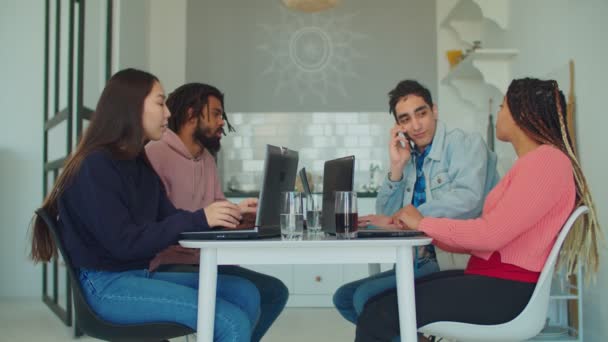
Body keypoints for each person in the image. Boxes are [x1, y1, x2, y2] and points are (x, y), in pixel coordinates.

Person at [355, 78, 601, 342]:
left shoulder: (546, 162)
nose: (499, 113)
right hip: (494, 281)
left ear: (522, 114)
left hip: (507, 292)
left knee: (378, 314)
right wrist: (422, 225)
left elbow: (490, 234)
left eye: (504, 106)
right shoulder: (534, 163)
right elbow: (490, 239)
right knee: (377, 304)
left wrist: (422, 222)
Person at [29, 69, 261, 341]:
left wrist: (227, 216)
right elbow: (124, 242)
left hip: (136, 275)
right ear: (132, 107)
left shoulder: (138, 163)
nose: (167, 114)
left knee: (246, 293)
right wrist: (201, 218)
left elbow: (171, 218)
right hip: (106, 285)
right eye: (160, 103)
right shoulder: (96, 165)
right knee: (228, 321)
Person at [333, 79, 498, 324]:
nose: (416, 125)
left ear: (434, 110)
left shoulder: (465, 143)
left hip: (452, 259)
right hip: (416, 259)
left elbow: (468, 200)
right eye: (405, 119)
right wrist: (397, 167)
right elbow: (386, 216)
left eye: (421, 114)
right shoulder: (410, 156)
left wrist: (405, 217)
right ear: (398, 126)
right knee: (344, 297)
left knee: (364, 299)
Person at [145, 82, 289, 342]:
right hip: (171, 263)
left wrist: (240, 214)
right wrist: (222, 214)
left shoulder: (207, 159)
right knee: (251, 294)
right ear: (192, 114)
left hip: (206, 259)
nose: (223, 121)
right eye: (217, 114)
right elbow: (161, 221)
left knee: (274, 292)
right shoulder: (155, 155)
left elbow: (215, 213)